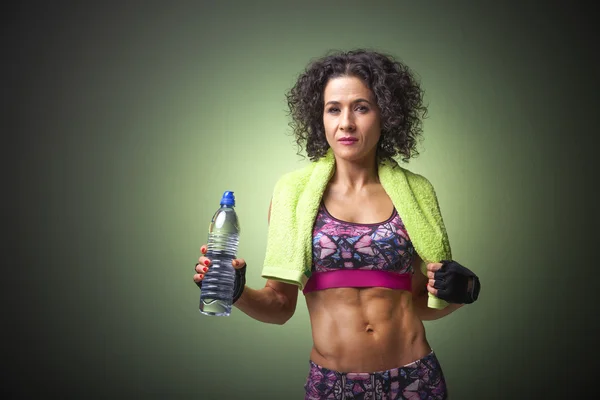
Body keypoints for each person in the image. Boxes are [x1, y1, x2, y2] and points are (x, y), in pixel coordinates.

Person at [193, 49, 481, 400]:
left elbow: (422, 303)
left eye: (361, 107)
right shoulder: (294, 196)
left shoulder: (416, 193)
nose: (346, 122)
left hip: (415, 379)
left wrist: (463, 291)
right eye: (334, 109)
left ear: (386, 115)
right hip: (334, 386)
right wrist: (236, 292)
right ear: (321, 117)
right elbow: (280, 307)